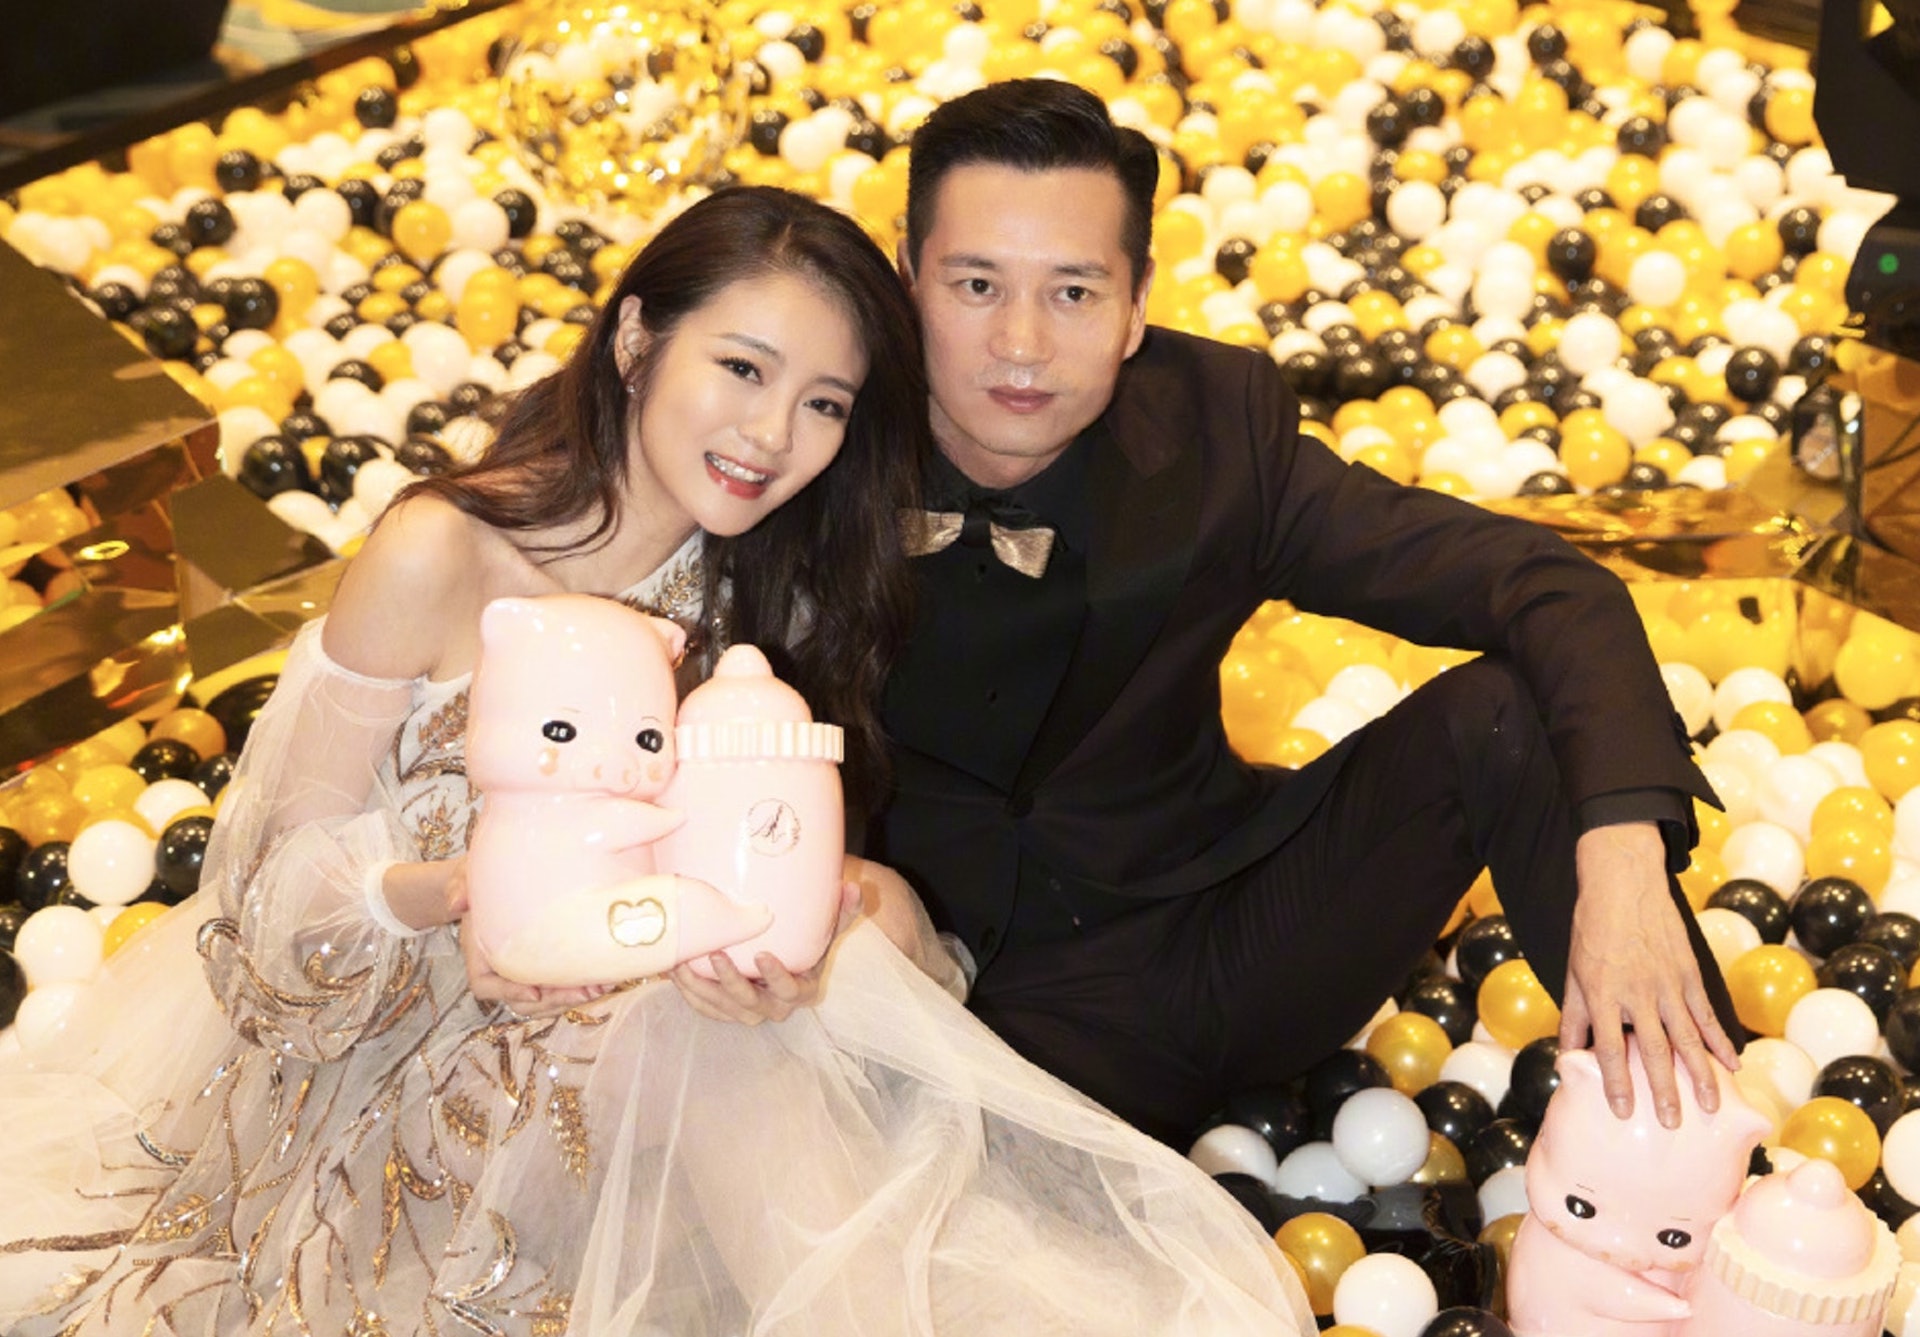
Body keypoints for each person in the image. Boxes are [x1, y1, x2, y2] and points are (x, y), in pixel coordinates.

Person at [0, 187, 1312, 1335]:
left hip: (651, 1035)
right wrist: (453, 892)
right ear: (636, 338)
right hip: (386, 1054)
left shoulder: (769, 595)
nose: (773, 434)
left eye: (823, 404)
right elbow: (266, 903)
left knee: (753, 1004)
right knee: (695, 1043)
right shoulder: (443, 553)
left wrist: (821, 925)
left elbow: (763, 871)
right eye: (741, 367)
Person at [871, 79, 1745, 1151]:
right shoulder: (812, 435)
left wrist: (1622, 859)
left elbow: (1547, 585)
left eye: (1074, 292)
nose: (1021, 342)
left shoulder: (1215, 430)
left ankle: (1706, 1165)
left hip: (1229, 944)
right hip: (945, 1001)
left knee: (1505, 715)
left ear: (1137, 304)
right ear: (906, 280)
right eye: (975, 284)